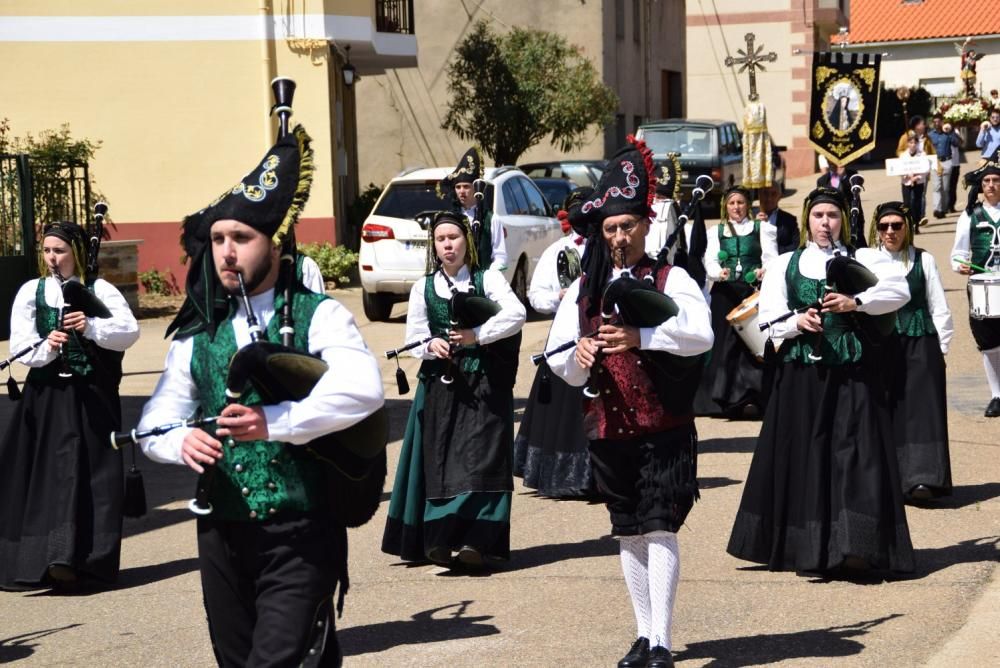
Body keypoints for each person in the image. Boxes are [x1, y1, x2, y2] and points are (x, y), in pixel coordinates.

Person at [137, 124, 385, 665]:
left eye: (241, 239)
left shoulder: (318, 315)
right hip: (221, 532)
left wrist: (275, 421)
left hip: (300, 529)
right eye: (219, 239)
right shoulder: (196, 334)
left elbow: (364, 389)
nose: (226, 252)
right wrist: (179, 442)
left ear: (274, 242)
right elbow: (157, 417)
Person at [546, 137, 713, 668]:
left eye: (627, 227)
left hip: (662, 421)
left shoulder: (672, 277)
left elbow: (700, 334)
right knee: (627, 530)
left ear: (645, 226)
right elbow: (556, 360)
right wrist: (581, 354)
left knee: (659, 522)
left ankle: (662, 640)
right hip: (608, 425)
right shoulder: (584, 290)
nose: (619, 236)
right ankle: (643, 634)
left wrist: (642, 339)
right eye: (611, 229)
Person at [727, 187, 914, 576]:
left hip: (852, 372)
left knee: (856, 455)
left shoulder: (862, 257)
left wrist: (855, 302)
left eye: (832, 215)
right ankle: (807, 546)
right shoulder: (785, 263)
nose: (825, 222)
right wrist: (798, 322)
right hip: (802, 375)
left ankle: (855, 545)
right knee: (806, 456)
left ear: (842, 220)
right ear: (807, 220)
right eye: (818, 215)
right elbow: (769, 318)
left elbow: (898, 290)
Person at [0, 221, 139, 591]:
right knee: (49, 476)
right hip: (46, 397)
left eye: (58, 251)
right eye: (46, 251)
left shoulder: (99, 289)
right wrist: (48, 345)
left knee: (91, 476)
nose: (51, 258)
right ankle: (45, 560)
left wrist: (91, 326)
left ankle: (87, 561)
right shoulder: (32, 291)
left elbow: (129, 332)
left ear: (74, 253)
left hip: (92, 395)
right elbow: (20, 346)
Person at [382, 210, 525, 568]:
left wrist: (478, 335)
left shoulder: (487, 278)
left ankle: (478, 542)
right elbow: (414, 337)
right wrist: (431, 346)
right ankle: (441, 540)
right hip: (442, 385)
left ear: (467, 242)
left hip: (484, 382)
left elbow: (516, 314)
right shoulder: (424, 287)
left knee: (484, 457)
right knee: (443, 459)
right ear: (434, 245)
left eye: (454, 238)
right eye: (441, 239)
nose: (448, 245)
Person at [869, 202, 953, 502]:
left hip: (921, 342)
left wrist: (941, 348)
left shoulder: (923, 260)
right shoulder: (869, 261)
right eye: (884, 226)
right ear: (876, 230)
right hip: (883, 343)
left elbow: (938, 305)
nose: (890, 231)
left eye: (896, 225)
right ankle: (889, 480)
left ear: (907, 227)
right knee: (887, 406)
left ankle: (924, 478)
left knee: (923, 411)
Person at [514, 189, 593, 498]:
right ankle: (561, 474)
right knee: (560, 408)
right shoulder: (557, 250)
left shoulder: (606, 245)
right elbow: (536, 295)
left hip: (598, 333)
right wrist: (559, 297)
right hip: (565, 334)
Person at [695, 185, 778, 416]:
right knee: (724, 347)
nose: (736, 207)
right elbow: (709, 260)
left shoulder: (762, 228)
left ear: (747, 205)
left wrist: (764, 271)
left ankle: (752, 397)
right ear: (726, 206)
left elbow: (772, 258)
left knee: (752, 345)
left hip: (751, 293)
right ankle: (717, 400)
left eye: (740, 202)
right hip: (726, 293)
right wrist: (716, 272)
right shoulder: (717, 231)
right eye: (732, 203)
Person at [950, 147, 1000, 417]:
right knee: (989, 341)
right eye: (987, 181)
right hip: (982, 284)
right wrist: (961, 265)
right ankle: (997, 394)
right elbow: (957, 253)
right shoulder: (970, 215)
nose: (991, 185)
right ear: (980, 187)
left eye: (996, 180)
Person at [439, 146, 507, 271]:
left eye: (466, 187)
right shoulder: (450, 218)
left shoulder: (491, 219)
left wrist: (488, 278)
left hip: (482, 283)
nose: (461, 191)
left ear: (476, 187)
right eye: (458, 187)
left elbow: (500, 256)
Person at [928, 113, 959, 219]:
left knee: (945, 188)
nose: (937, 124)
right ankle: (937, 209)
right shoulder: (930, 135)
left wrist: (950, 132)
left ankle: (944, 208)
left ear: (942, 122)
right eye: (935, 122)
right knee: (937, 187)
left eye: (938, 121)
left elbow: (956, 143)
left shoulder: (948, 133)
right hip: (935, 162)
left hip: (947, 162)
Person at [899, 131, 930, 234]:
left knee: (916, 203)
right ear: (908, 144)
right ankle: (908, 225)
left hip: (919, 182)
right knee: (907, 204)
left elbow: (926, 168)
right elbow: (899, 169)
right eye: (910, 143)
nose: (912, 145)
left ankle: (916, 224)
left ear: (917, 144)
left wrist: (917, 177)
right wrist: (907, 176)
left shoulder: (922, 155)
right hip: (906, 182)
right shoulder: (903, 155)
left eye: (914, 143)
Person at [756, 183, 799, 255]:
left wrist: (774, 252)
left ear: (779, 196)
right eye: (765, 193)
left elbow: (795, 245)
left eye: (774, 194)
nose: (769, 198)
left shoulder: (789, 220)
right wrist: (754, 225)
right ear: (759, 195)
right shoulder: (751, 219)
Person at [945, 122, 964, 213]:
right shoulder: (940, 133)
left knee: (953, 186)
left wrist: (952, 133)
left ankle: (951, 205)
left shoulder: (955, 132)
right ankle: (944, 206)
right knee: (945, 186)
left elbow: (959, 143)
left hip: (955, 163)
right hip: (944, 164)